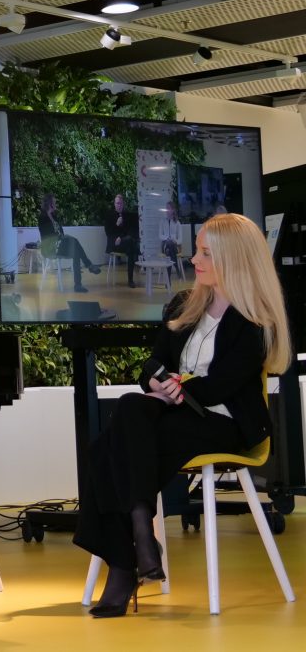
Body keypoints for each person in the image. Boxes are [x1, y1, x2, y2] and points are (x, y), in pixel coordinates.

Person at [73, 213, 291, 618]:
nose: (194, 259)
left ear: (233, 258)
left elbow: (220, 386)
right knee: (130, 409)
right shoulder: (184, 305)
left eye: (205, 252)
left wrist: (175, 386)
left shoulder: (255, 320)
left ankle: (125, 562)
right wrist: (157, 384)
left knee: (108, 448)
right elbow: (150, 365)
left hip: (225, 423)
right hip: (174, 414)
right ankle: (140, 532)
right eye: (198, 251)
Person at [38, 193, 101, 293]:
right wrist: (60, 237)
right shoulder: (42, 218)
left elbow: (61, 232)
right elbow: (46, 236)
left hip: (60, 244)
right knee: (74, 242)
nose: (56, 204)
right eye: (54, 202)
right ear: (50, 204)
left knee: (75, 251)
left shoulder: (55, 216)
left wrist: (62, 237)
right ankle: (88, 265)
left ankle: (78, 285)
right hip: (50, 247)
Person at [105, 193, 140, 288]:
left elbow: (131, 230)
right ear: (114, 204)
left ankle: (130, 280)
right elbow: (108, 233)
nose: (119, 205)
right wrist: (116, 224)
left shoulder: (127, 216)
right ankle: (131, 279)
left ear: (123, 204)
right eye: (117, 203)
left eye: (120, 203)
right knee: (132, 245)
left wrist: (122, 238)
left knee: (130, 246)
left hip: (125, 243)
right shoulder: (109, 216)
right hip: (114, 243)